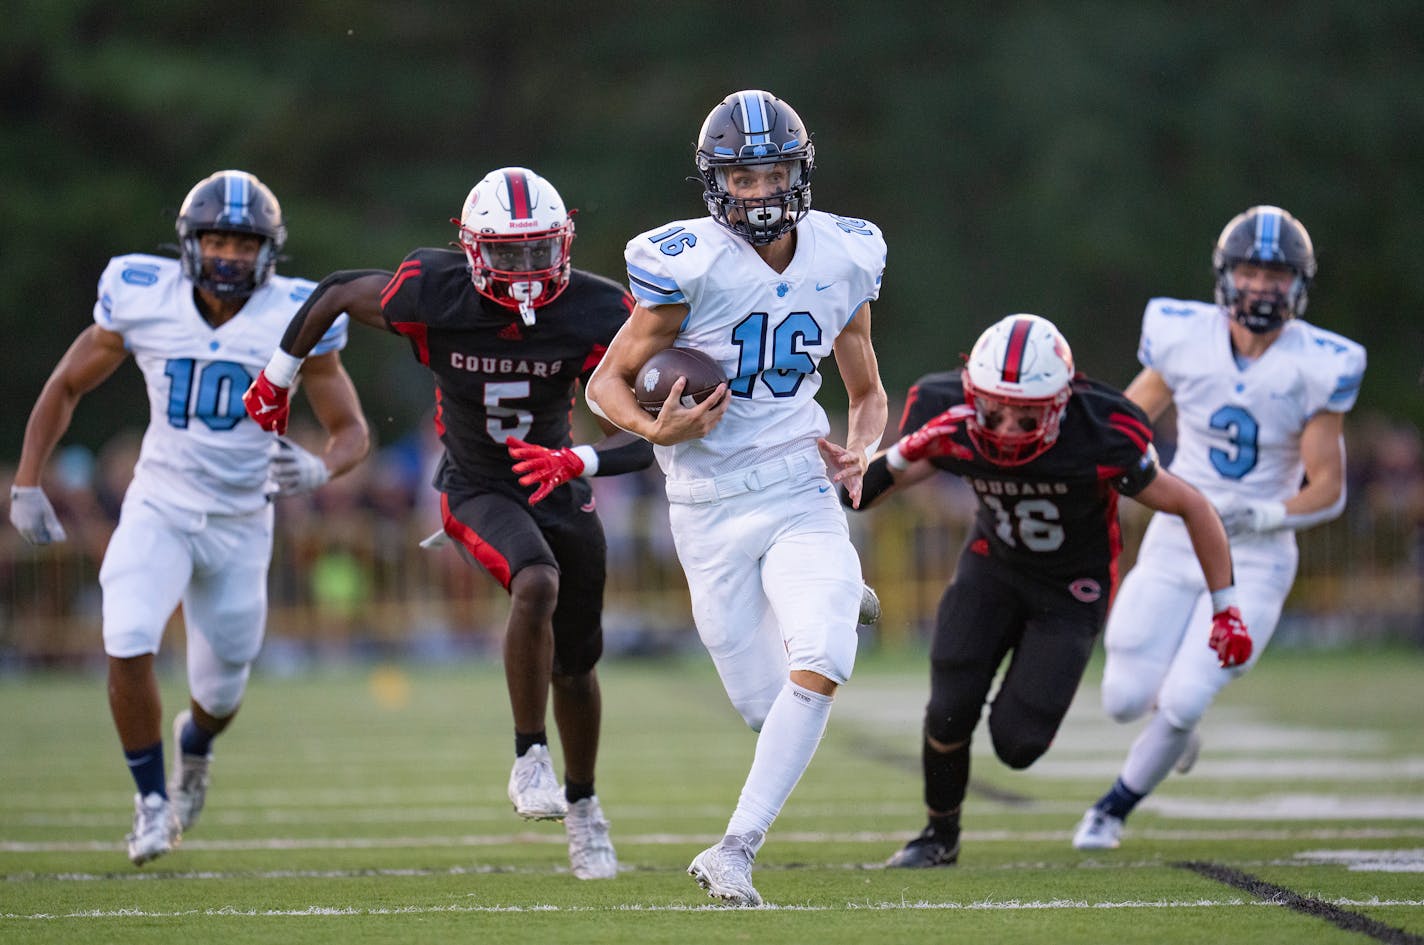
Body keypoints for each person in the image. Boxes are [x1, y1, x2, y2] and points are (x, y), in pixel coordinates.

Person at [243, 166, 648, 880]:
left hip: (559, 481)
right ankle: (529, 755)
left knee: (578, 667)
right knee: (537, 581)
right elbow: (336, 288)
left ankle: (584, 807)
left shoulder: (597, 310)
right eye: (508, 252)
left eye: (537, 251)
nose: (524, 270)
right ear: (470, 248)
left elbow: (656, 434)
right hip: (477, 482)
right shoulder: (433, 293)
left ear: (564, 243)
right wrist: (277, 375)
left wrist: (580, 459)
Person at [7, 170, 370, 866]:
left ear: (268, 250)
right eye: (217, 240)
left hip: (242, 518)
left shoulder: (296, 313)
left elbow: (351, 428)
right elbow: (67, 384)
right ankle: (150, 801)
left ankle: (194, 746)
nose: (230, 255)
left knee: (222, 687)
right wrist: (26, 480)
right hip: (161, 501)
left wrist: (324, 467)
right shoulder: (145, 297)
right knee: (128, 630)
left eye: (243, 242)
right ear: (190, 243)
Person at [585, 88, 889, 906]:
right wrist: (656, 433)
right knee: (768, 712)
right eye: (742, 177)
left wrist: (863, 448)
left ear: (801, 171)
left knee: (821, 658)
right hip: (708, 504)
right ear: (716, 182)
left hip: (797, 485)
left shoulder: (846, 254)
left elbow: (866, 389)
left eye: (774, 172)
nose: (759, 191)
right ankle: (838, 590)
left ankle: (736, 846)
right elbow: (606, 382)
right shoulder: (686, 263)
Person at [848, 313, 1242, 868]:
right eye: (994, 411)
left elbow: (1191, 505)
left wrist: (1226, 606)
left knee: (1017, 743)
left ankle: (1152, 696)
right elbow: (862, 495)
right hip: (993, 566)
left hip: (1071, 587)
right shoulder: (950, 417)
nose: (1006, 428)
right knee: (948, 708)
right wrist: (865, 464)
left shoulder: (1100, 431)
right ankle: (940, 836)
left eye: (1026, 415)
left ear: (1059, 404)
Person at [1073, 205, 1366, 850]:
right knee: (1124, 697)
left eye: (1277, 274)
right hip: (1178, 537)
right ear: (1226, 274)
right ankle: (1173, 728)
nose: (1262, 285)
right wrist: (1095, 461)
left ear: (1299, 284)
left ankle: (1112, 810)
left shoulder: (1318, 363)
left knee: (1184, 699)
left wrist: (1263, 513)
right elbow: (1127, 420)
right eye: (1251, 270)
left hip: (1257, 557)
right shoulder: (1183, 335)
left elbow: (1330, 487)